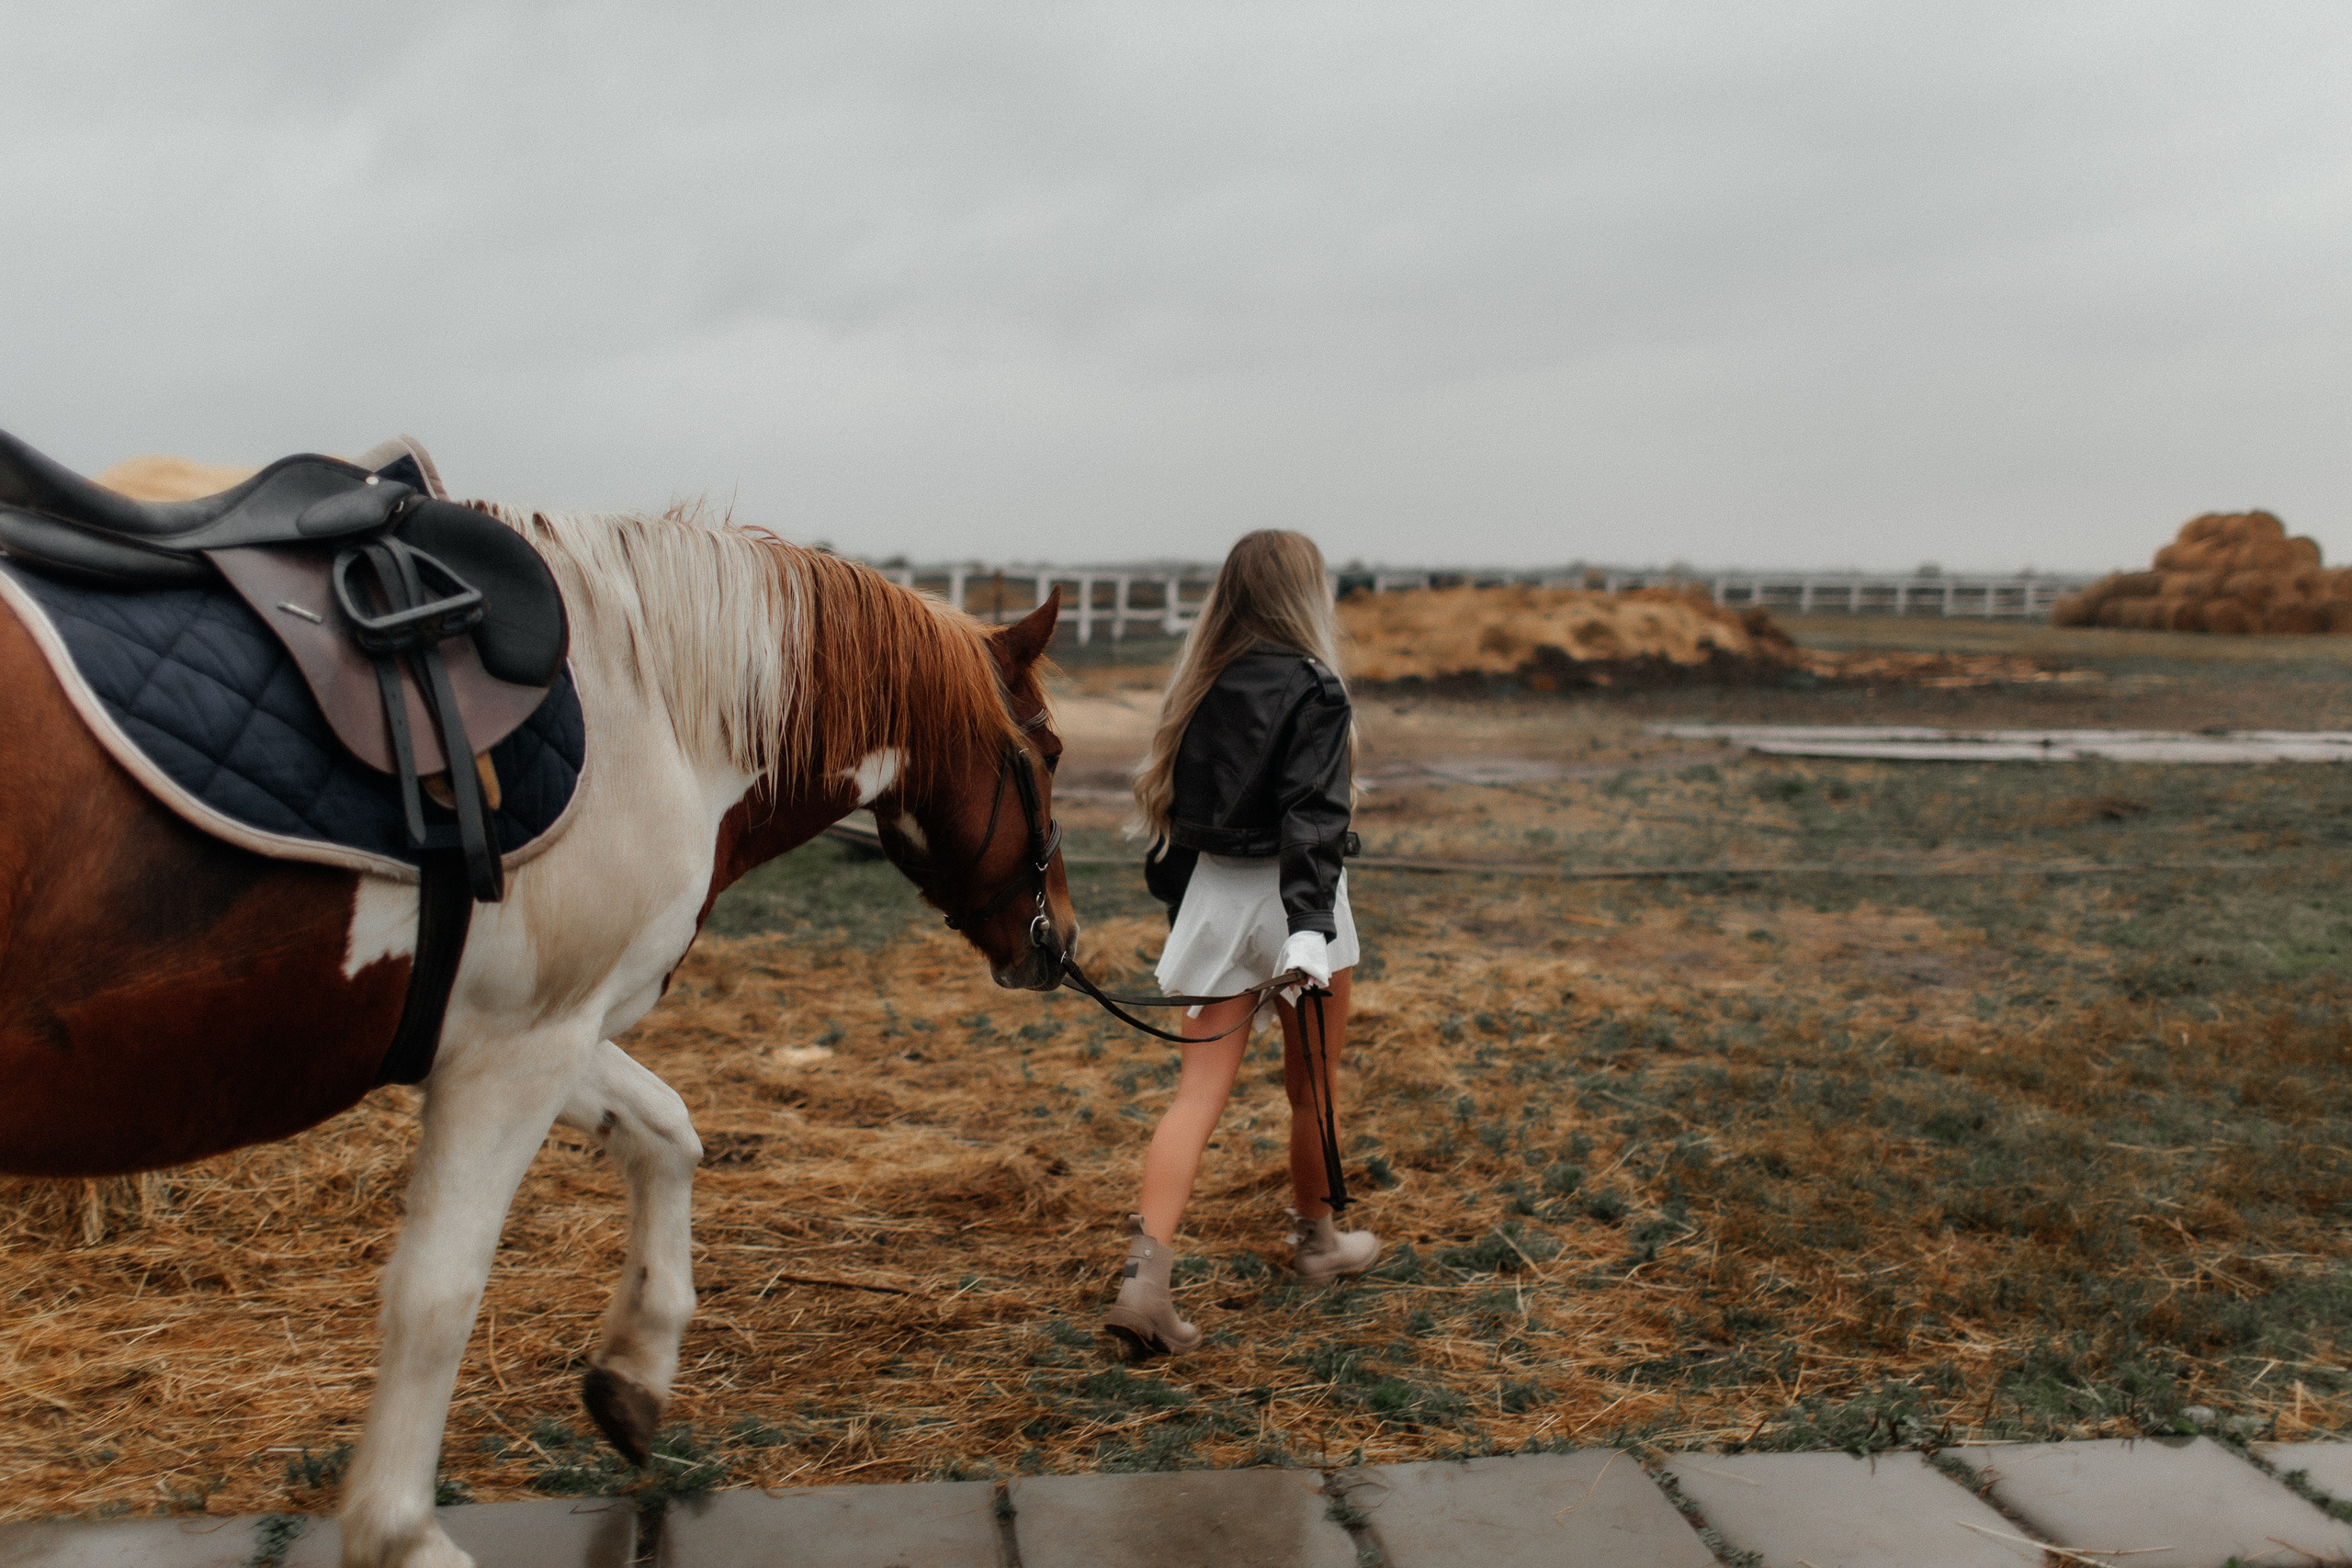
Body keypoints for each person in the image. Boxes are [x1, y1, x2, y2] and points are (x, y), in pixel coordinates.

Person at [1102, 529, 1379, 1360]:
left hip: (1216, 902)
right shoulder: (1317, 689)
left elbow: (1176, 824)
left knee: (1196, 1097)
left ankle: (1144, 1285)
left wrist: (1186, 912)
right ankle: (1319, 1242)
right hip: (1301, 905)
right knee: (1312, 1088)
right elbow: (1314, 821)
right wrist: (1306, 932)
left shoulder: (1197, 685)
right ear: (1306, 594)